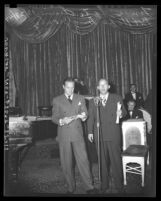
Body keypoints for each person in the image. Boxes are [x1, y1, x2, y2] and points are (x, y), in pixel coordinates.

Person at [51, 77, 97, 194]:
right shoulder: (57, 100)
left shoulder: (80, 98)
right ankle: (70, 187)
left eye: (72, 87)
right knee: (66, 163)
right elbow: (54, 117)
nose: (70, 90)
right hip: (64, 134)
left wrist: (84, 116)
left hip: (77, 134)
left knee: (84, 161)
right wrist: (61, 120)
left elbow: (85, 113)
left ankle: (89, 187)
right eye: (68, 87)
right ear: (63, 87)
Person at [87, 78, 127, 193]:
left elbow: (124, 112)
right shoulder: (93, 101)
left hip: (114, 134)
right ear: (98, 88)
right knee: (102, 161)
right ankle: (104, 185)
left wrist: (120, 114)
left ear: (109, 86)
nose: (103, 87)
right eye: (101, 85)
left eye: (105, 85)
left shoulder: (117, 98)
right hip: (99, 134)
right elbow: (91, 119)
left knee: (116, 161)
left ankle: (119, 185)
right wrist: (90, 132)